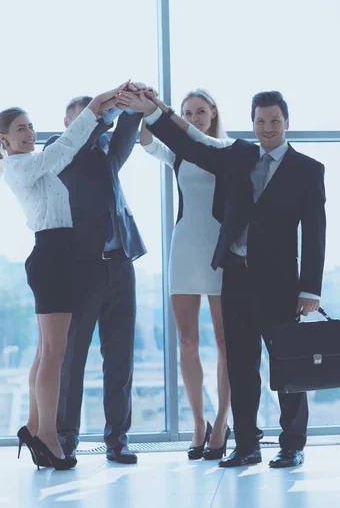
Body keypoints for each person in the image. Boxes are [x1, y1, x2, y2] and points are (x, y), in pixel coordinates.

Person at [119, 89, 326, 469]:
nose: (267, 129)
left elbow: (315, 232)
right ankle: (247, 443)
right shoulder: (238, 155)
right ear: (252, 123)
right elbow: (194, 144)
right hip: (234, 274)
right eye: (260, 122)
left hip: (280, 281)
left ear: (287, 122)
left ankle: (292, 443)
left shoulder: (308, 169)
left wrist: (310, 289)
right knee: (241, 364)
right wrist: (155, 113)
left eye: (274, 121)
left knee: (285, 364)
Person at [0, 82, 127, 470]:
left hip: (58, 256)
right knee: (55, 354)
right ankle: (48, 436)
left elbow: (67, 149)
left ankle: (35, 427)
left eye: (31, 127)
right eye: (21, 129)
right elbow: (66, 147)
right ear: (4, 138)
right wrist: (97, 106)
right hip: (52, 256)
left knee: (44, 352)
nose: (30, 134)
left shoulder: (31, 162)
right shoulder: (21, 165)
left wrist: (105, 106)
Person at [45, 90, 145, 465]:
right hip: (82, 268)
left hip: (121, 264)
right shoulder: (60, 148)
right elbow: (87, 133)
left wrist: (133, 104)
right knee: (74, 358)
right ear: (72, 123)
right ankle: (66, 437)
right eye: (89, 117)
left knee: (120, 359)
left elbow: (124, 134)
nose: (100, 123)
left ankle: (117, 439)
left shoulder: (107, 155)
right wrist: (101, 111)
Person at [138, 89, 232, 460]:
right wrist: (152, 108)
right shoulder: (178, 152)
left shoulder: (227, 150)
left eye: (200, 112)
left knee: (226, 342)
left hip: (219, 249)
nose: (194, 118)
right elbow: (146, 142)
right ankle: (199, 423)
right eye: (188, 113)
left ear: (213, 113)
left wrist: (165, 113)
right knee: (187, 342)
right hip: (184, 247)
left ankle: (223, 422)